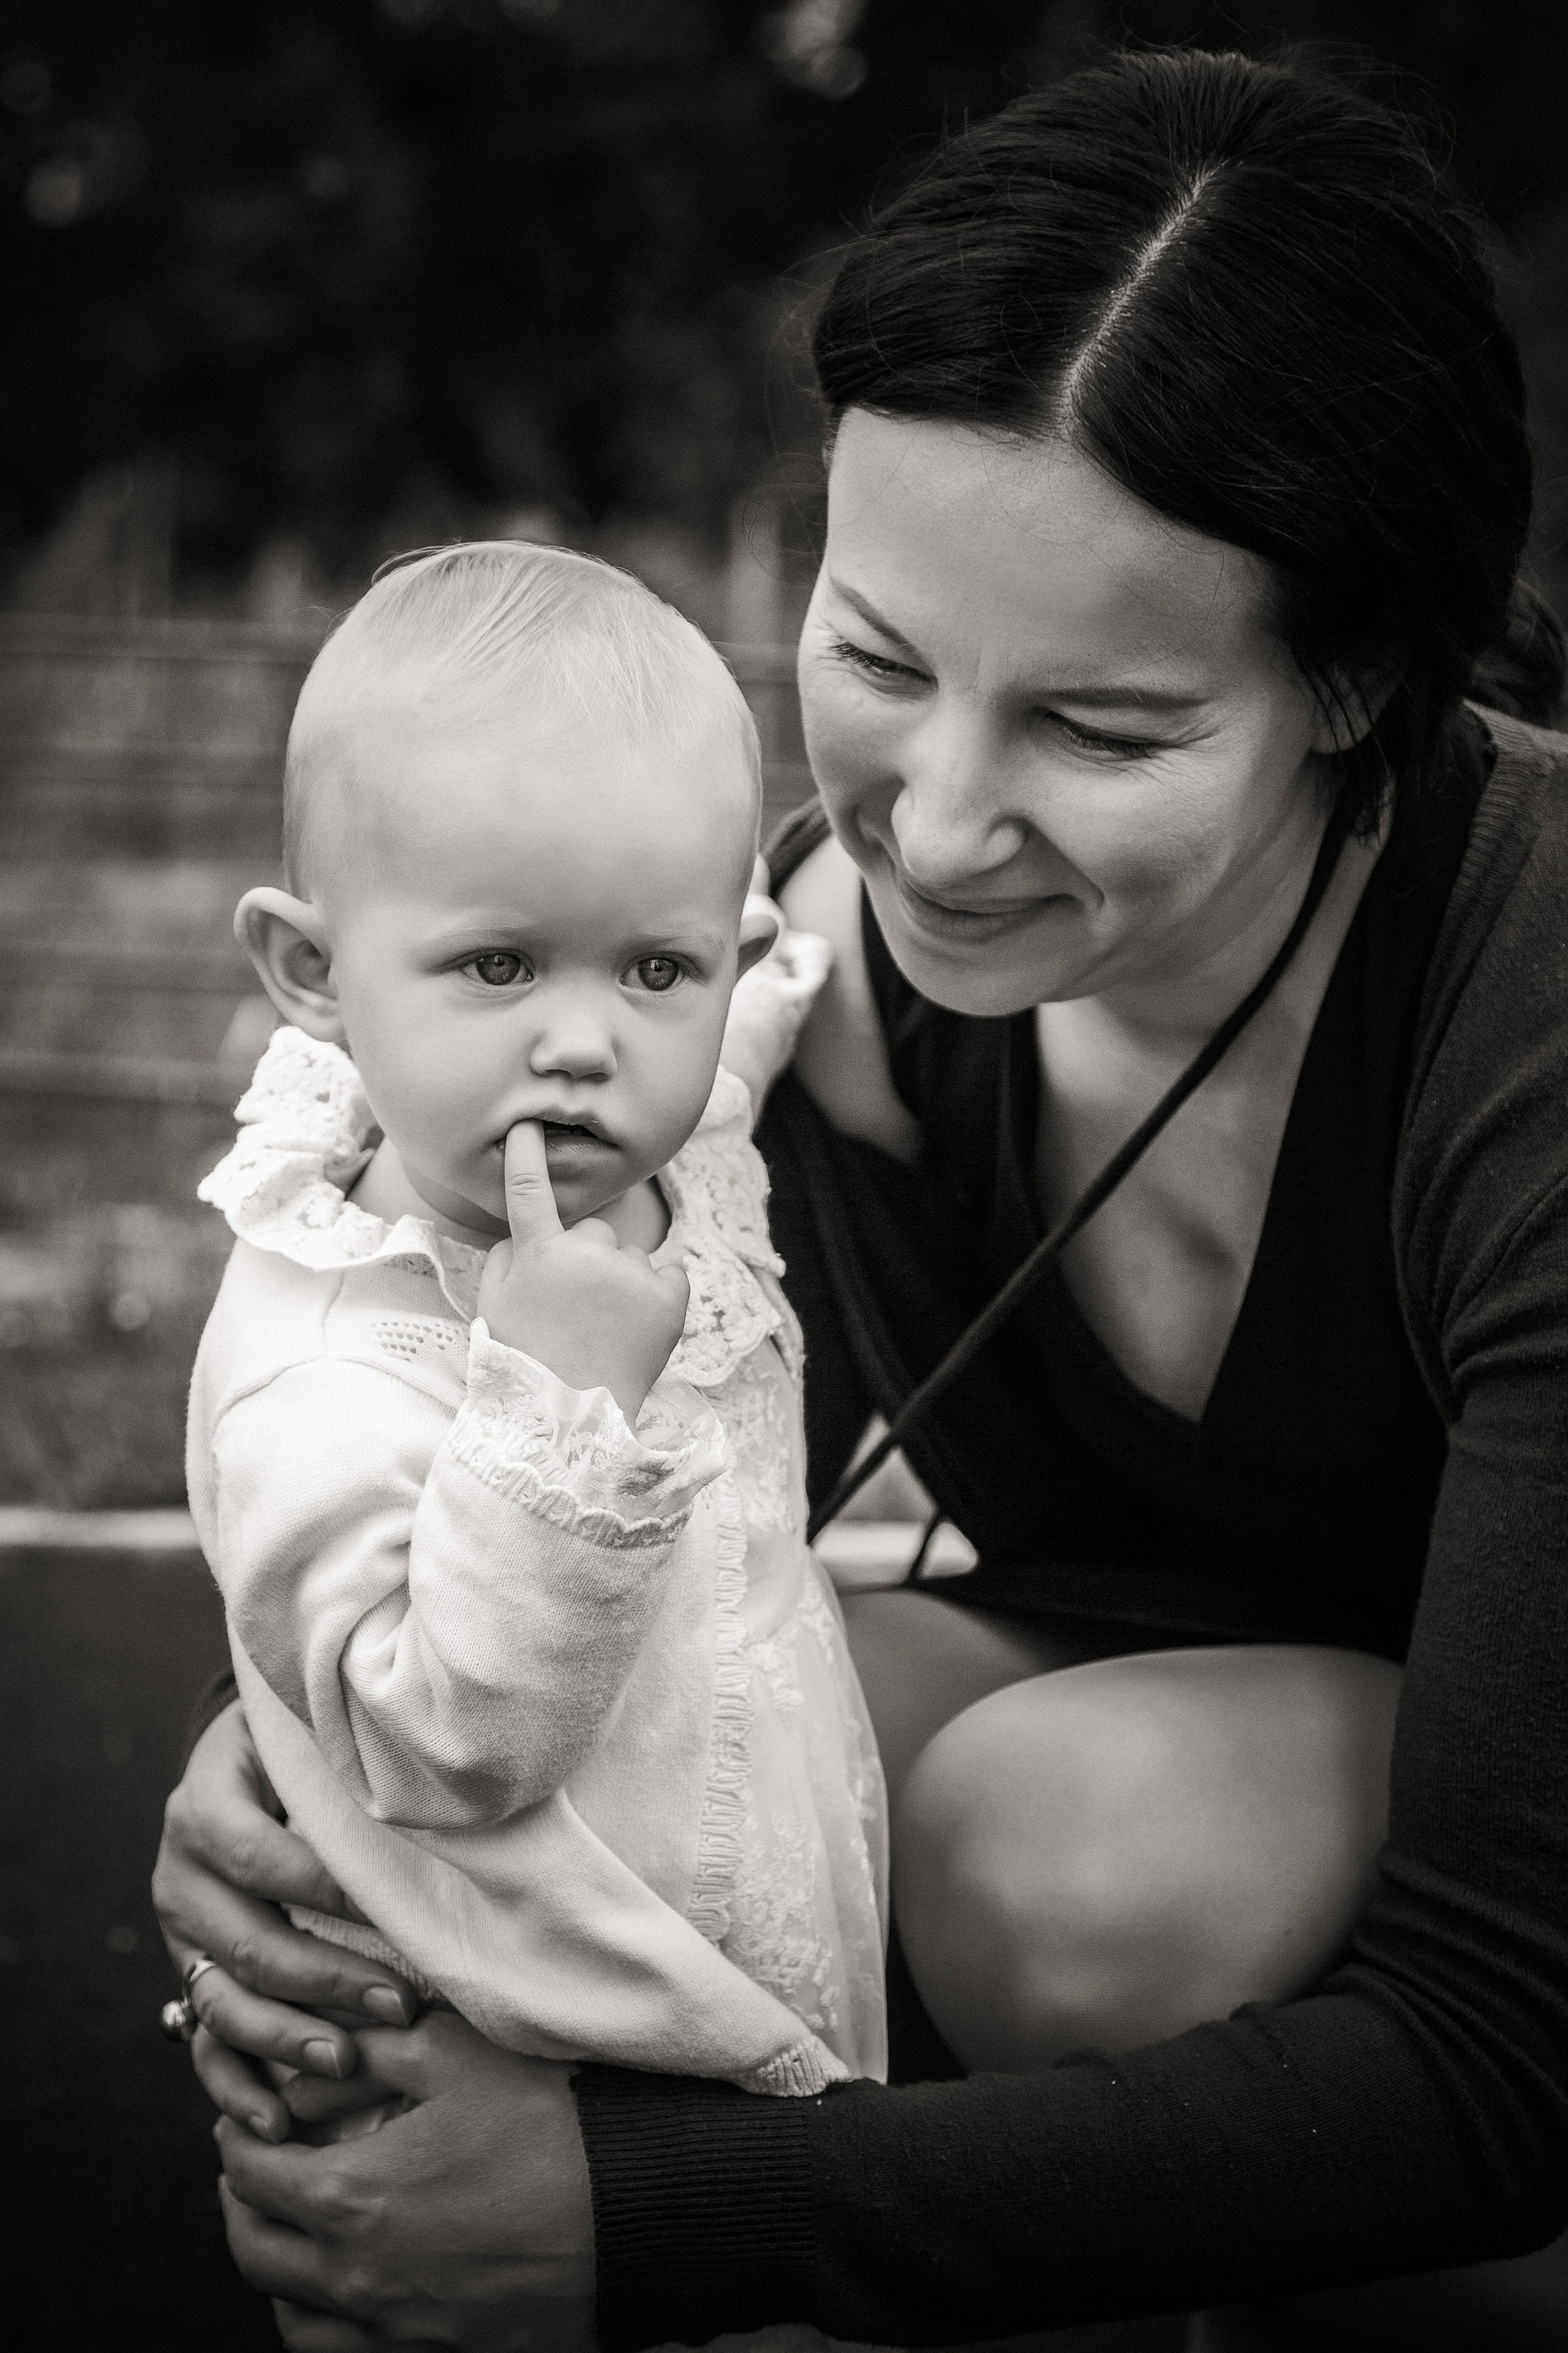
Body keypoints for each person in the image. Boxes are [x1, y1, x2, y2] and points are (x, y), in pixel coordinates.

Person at [153, 44, 1568, 2349]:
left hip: (1505, 1956)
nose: (933, 818)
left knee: (1067, 1853)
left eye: (1102, 730)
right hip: (1207, 1707)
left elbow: (1512, 2048)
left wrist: (663, 2212)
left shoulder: (1531, 1022)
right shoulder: (786, 997)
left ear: (1358, 682)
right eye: (880, 658)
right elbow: (576, 1512)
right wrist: (316, 1748)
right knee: (626, 1805)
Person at [182, 541, 886, 2110]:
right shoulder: (323, 1370)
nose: (581, 1043)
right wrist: (551, 1414)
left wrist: (767, 991)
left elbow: (725, 1062)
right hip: (526, 2023)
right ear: (312, 971)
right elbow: (430, 1744)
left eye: (654, 965)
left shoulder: (671, 1130)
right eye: (497, 964)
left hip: (750, 1885)